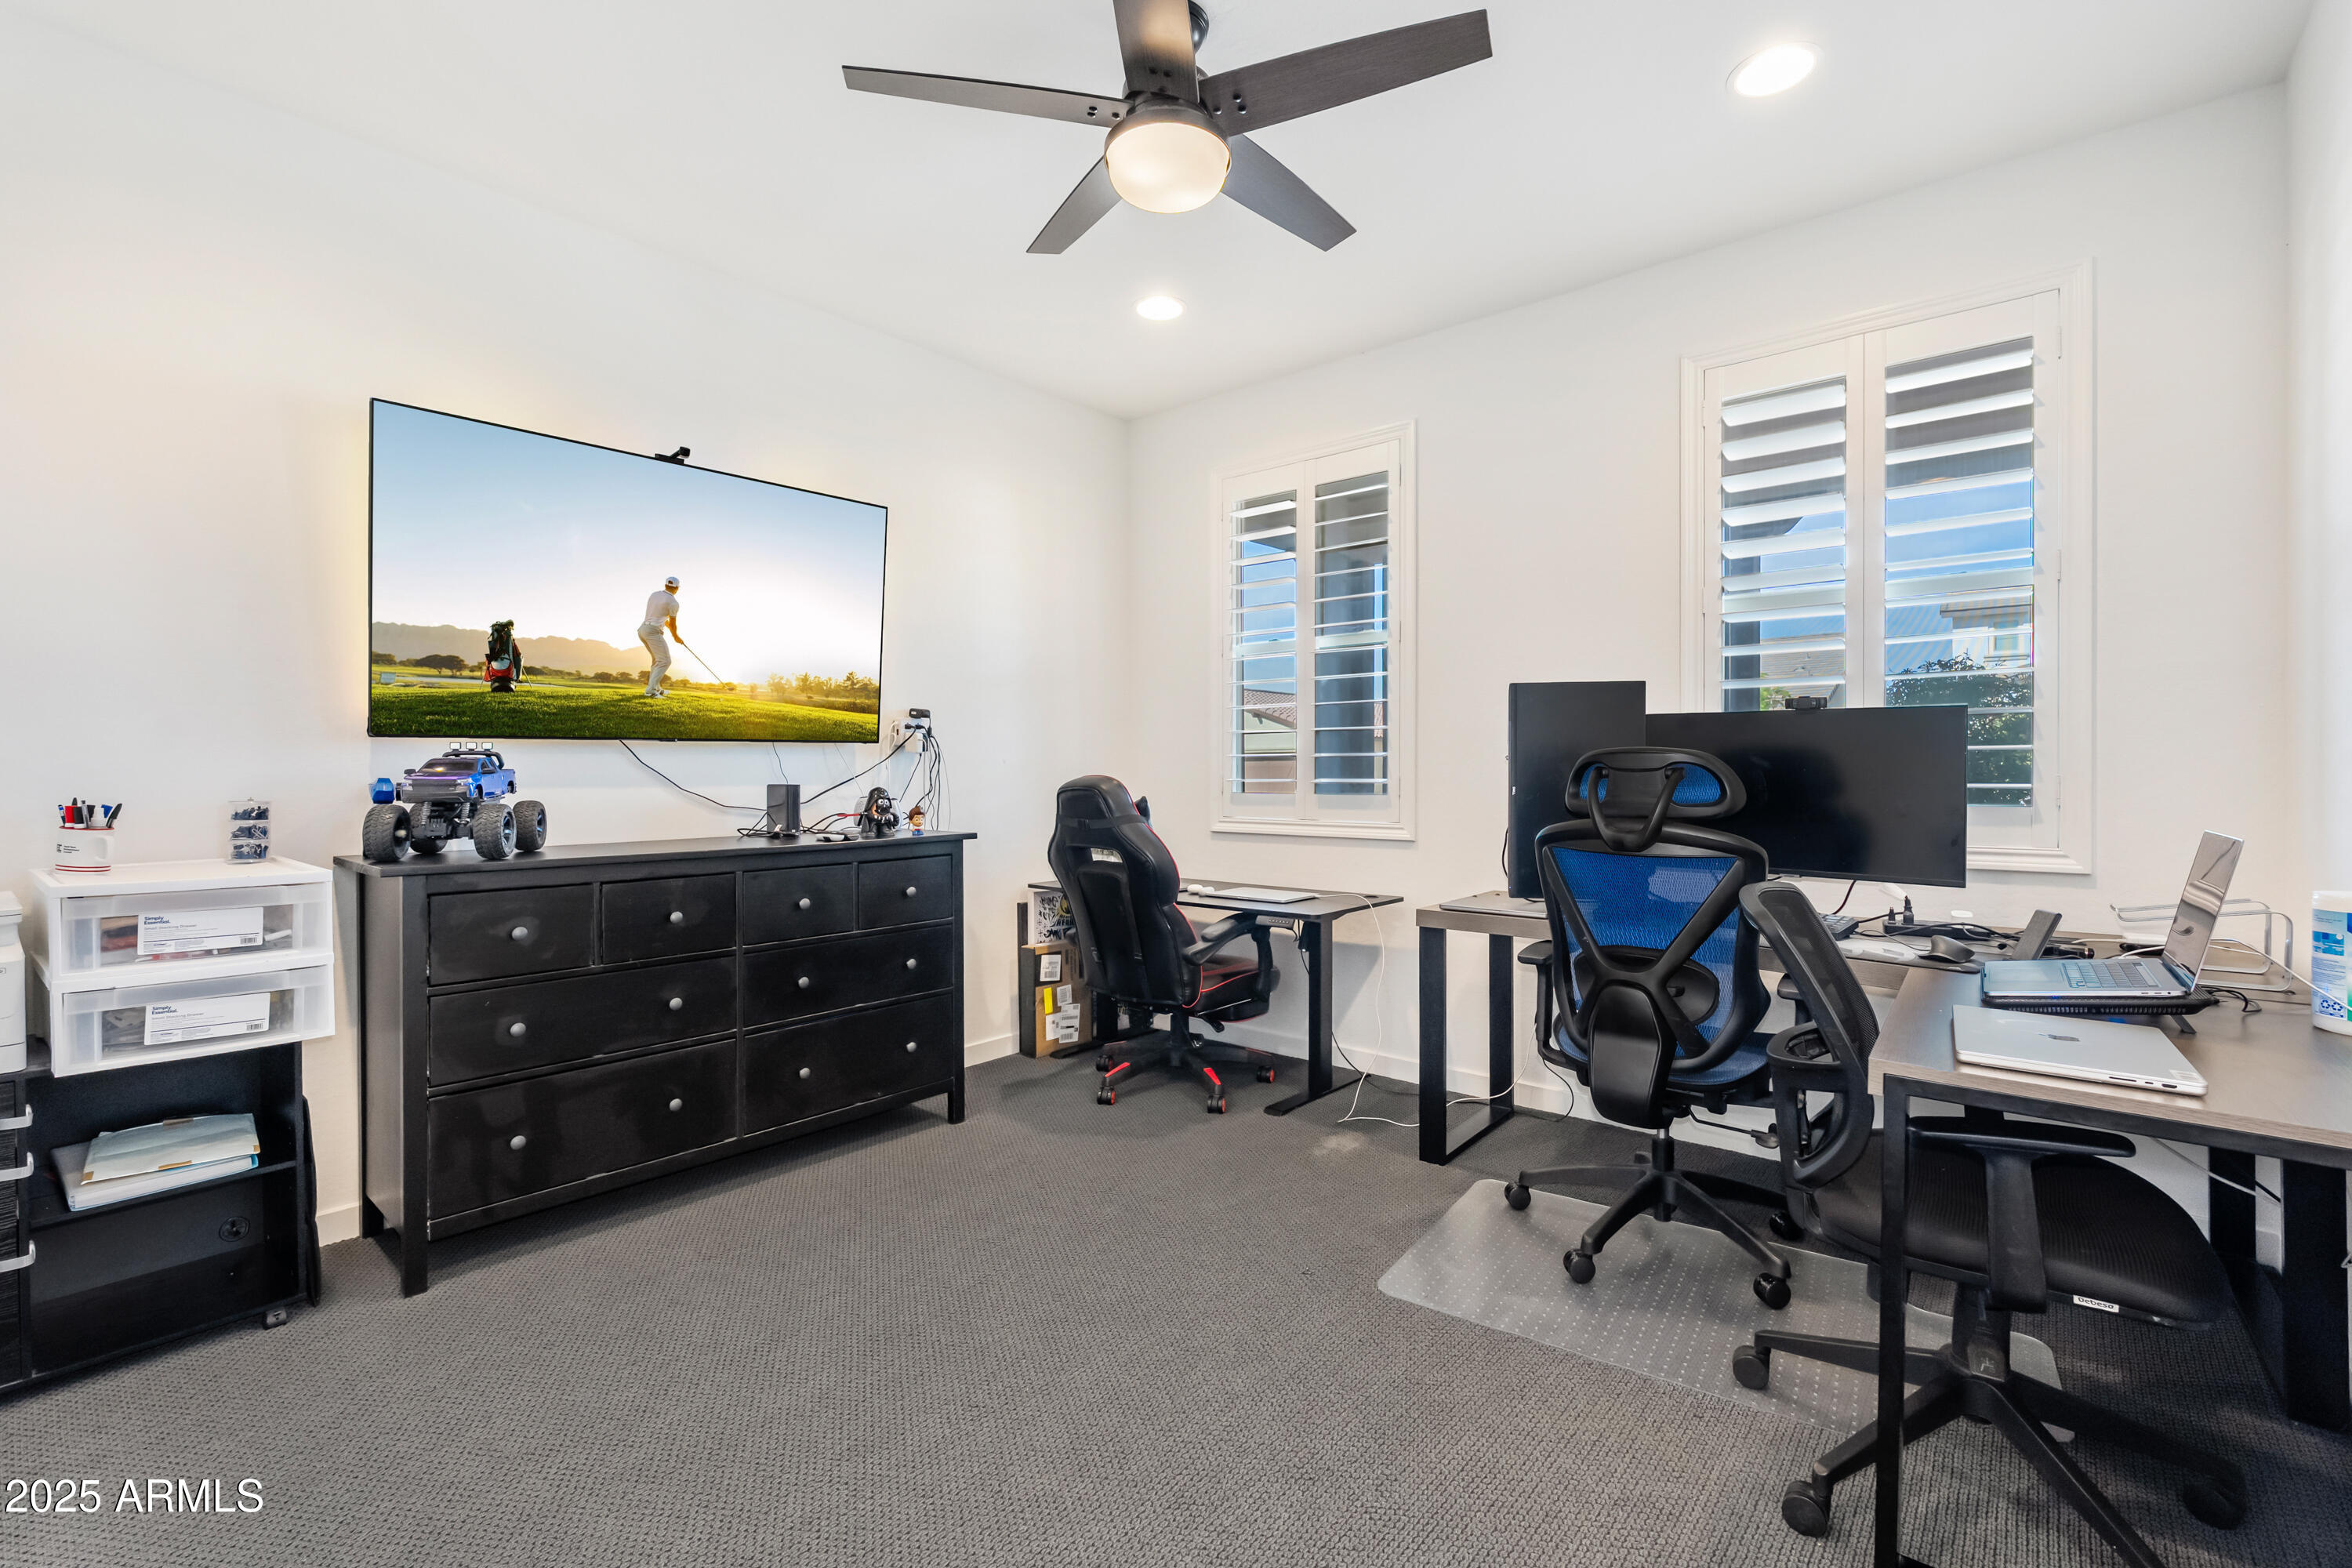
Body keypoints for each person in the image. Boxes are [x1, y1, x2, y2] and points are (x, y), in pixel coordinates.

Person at [640, 575, 681, 698]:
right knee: (665, 661)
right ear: (677, 588)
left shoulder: (654, 595)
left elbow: (661, 618)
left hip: (642, 630)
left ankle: (657, 688)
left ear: (665, 585)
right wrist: (676, 636)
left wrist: (672, 632)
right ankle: (651, 691)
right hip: (653, 632)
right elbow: (672, 624)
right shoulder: (673, 602)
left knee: (657, 660)